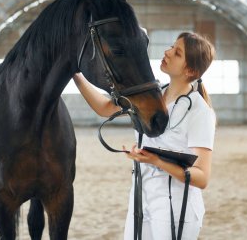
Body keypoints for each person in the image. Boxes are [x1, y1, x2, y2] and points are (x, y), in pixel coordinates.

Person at [73, 32, 216, 240]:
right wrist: (75, 75)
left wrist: (156, 160)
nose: (167, 52)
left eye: (177, 53)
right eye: (171, 46)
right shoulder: (151, 94)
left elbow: (202, 178)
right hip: (140, 199)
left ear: (190, 70)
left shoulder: (198, 111)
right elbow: (104, 108)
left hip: (176, 207)